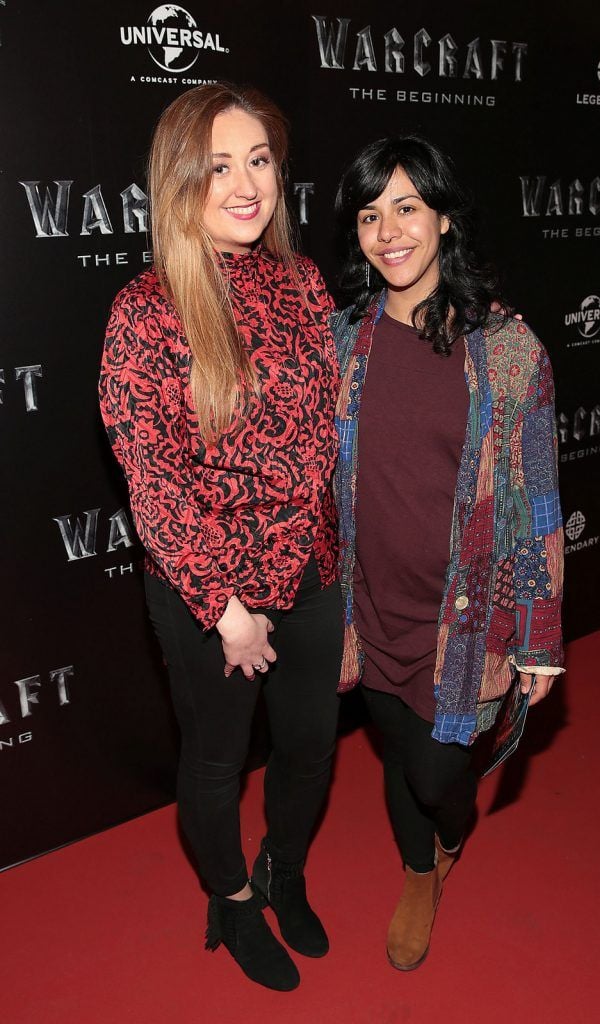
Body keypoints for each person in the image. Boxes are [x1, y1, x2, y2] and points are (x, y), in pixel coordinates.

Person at [98, 83, 343, 992]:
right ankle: (234, 902)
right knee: (214, 760)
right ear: (179, 180)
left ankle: (285, 867)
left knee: (312, 747)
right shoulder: (146, 311)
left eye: (260, 160)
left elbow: (327, 441)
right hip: (213, 595)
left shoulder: (302, 281)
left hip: (312, 574)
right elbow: (154, 484)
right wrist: (227, 608)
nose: (245, 184)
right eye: (218, 165)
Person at [332, 134, 564, 971]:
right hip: (369, 610)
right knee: (398, 755)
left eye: (407, 207)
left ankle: (450, 838)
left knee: (439, 780)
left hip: (466, 620)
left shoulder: (508, 352)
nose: (388, 231)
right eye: (369, 213)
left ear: (444, 220)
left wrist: (538, 635)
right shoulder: (341, 343)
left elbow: (540, 504)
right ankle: (419, 872)